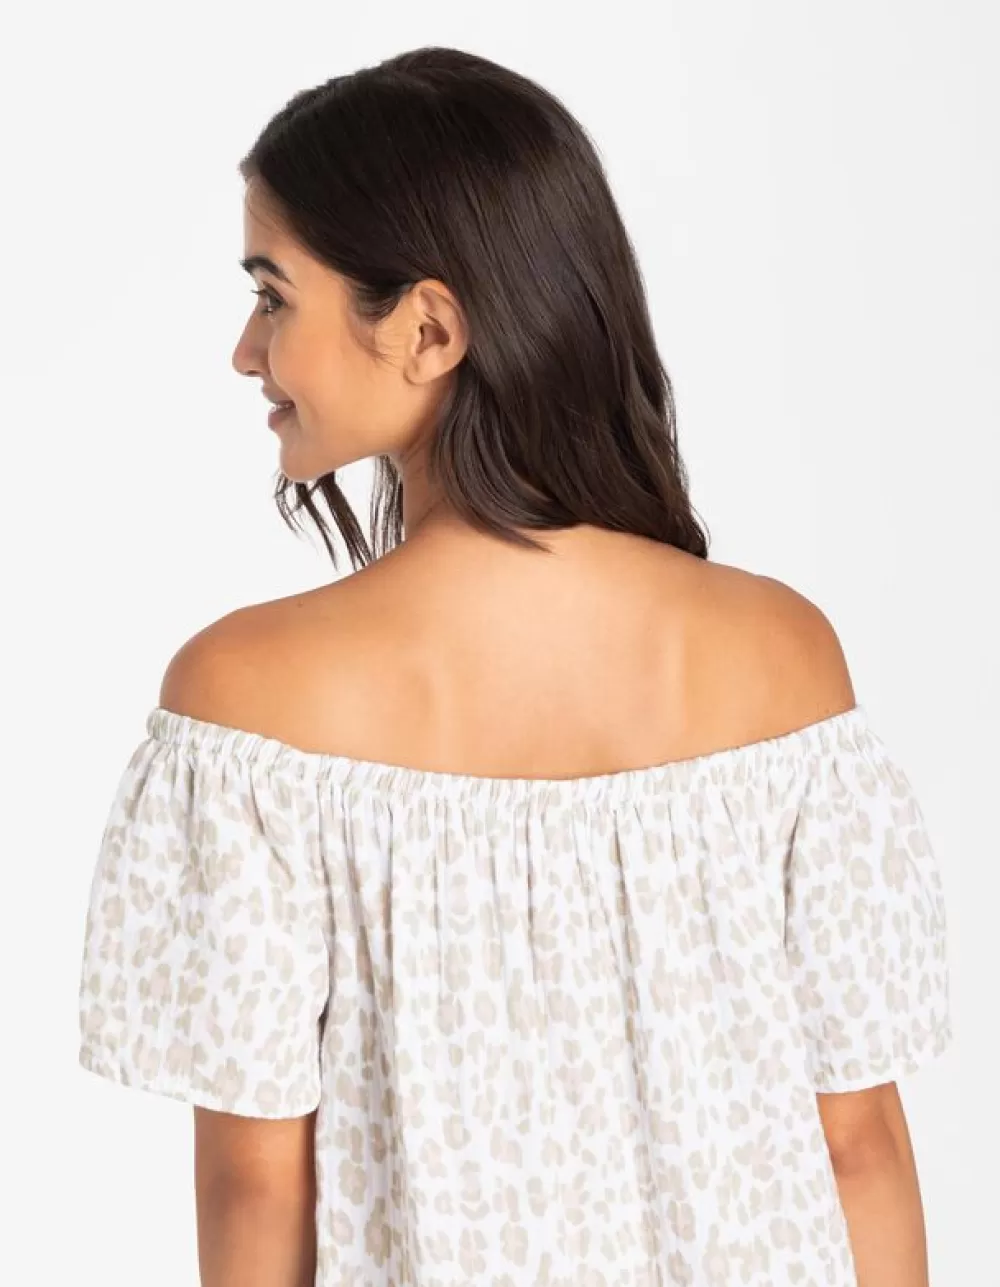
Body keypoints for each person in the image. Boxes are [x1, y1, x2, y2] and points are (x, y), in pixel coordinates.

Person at [76, 45, 952, 1287]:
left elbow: (258, 1183)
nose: (244, 350)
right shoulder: (781, 657)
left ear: (428, 329)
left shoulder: (251, 703)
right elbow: (858, 1147)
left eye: (273, 298)